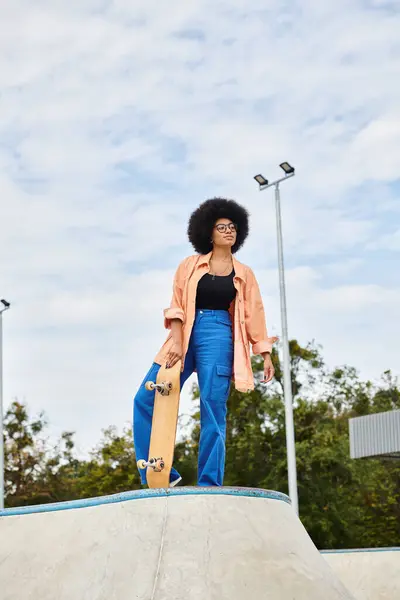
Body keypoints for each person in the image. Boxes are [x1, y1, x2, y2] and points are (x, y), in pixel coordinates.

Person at [133, 197, 277, 487]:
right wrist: (175, 342)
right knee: (145, 397)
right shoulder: (188, 266)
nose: (228, 231)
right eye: (221, 226)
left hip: (220, 334)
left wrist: (265, 354)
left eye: (232, 227)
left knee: (213, 407)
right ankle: (159, 472)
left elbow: (254, 313)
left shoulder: (244, 273)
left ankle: (209, 483)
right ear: (207, 232)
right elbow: (176, 307)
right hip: (184, 333)